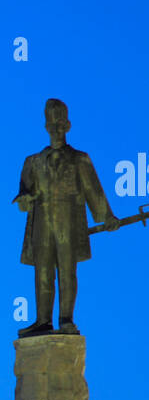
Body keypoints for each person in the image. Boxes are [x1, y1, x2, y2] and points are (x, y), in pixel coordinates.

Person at [14, 99, 120, 336]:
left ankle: (65, 319)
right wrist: (25, 199)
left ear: (68, 126)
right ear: (46, 128)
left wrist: (106, 216)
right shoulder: (33, 162)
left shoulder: (79, 158)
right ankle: (42, 320)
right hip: (41, 221)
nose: (56, 129)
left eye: (60, 124)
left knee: (66, 271)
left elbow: (93, 189)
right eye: (52, 124)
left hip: (69, 221)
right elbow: (23, 194)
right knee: (42, 272)